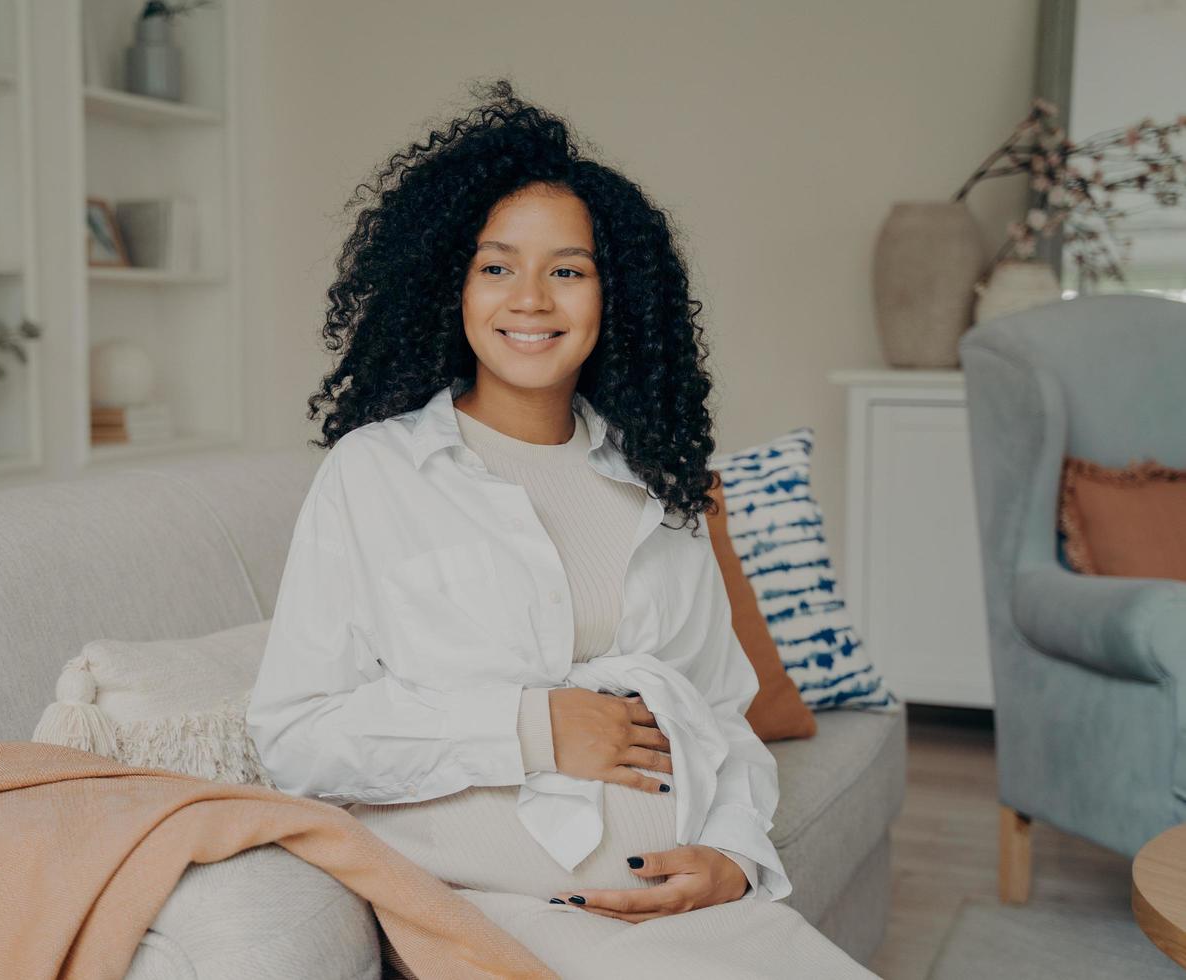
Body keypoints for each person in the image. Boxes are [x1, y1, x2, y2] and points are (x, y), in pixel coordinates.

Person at [246, 79, 877, 979]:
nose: (531, 299)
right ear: (448, 285)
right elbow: (299, 735)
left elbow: (722, 716)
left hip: (682, 907)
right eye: (497, 266)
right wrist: (532, 728)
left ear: (612, 295)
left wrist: (734, 858)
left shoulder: (658, 484)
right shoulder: (375, 473)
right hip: (501, 907)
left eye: (568, 270)